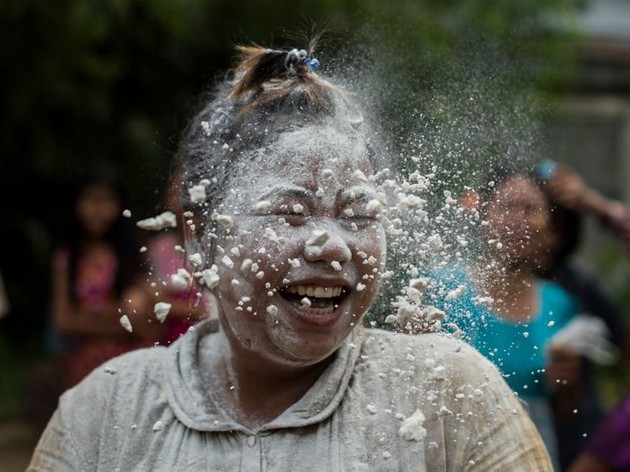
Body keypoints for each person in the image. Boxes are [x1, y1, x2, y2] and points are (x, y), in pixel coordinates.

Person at [28, 45, 551, 471]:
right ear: (199, 233)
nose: (333, 245)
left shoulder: (448, 396)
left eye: (357, 212)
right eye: (290, 212)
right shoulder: (106, 412)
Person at [427, 168, 584, 469]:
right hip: (452, 451)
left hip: (530, 453)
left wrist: (566, 385)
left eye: (530, 209)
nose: (518, 220)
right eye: (507, 207)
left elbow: (565, 409)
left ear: (550, 226)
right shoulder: (441, 288)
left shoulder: (559, 304)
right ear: (484, 217)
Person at [50, 167, 154, 388]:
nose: (97, 209)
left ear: (120, 204)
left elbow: (146, 323)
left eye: (106, 200)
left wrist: (88, 320)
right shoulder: (67, 257)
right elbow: (63, 321)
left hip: (129, 367)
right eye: (90, 199)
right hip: (86, 368)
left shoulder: (133, 253)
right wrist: (120, 321)